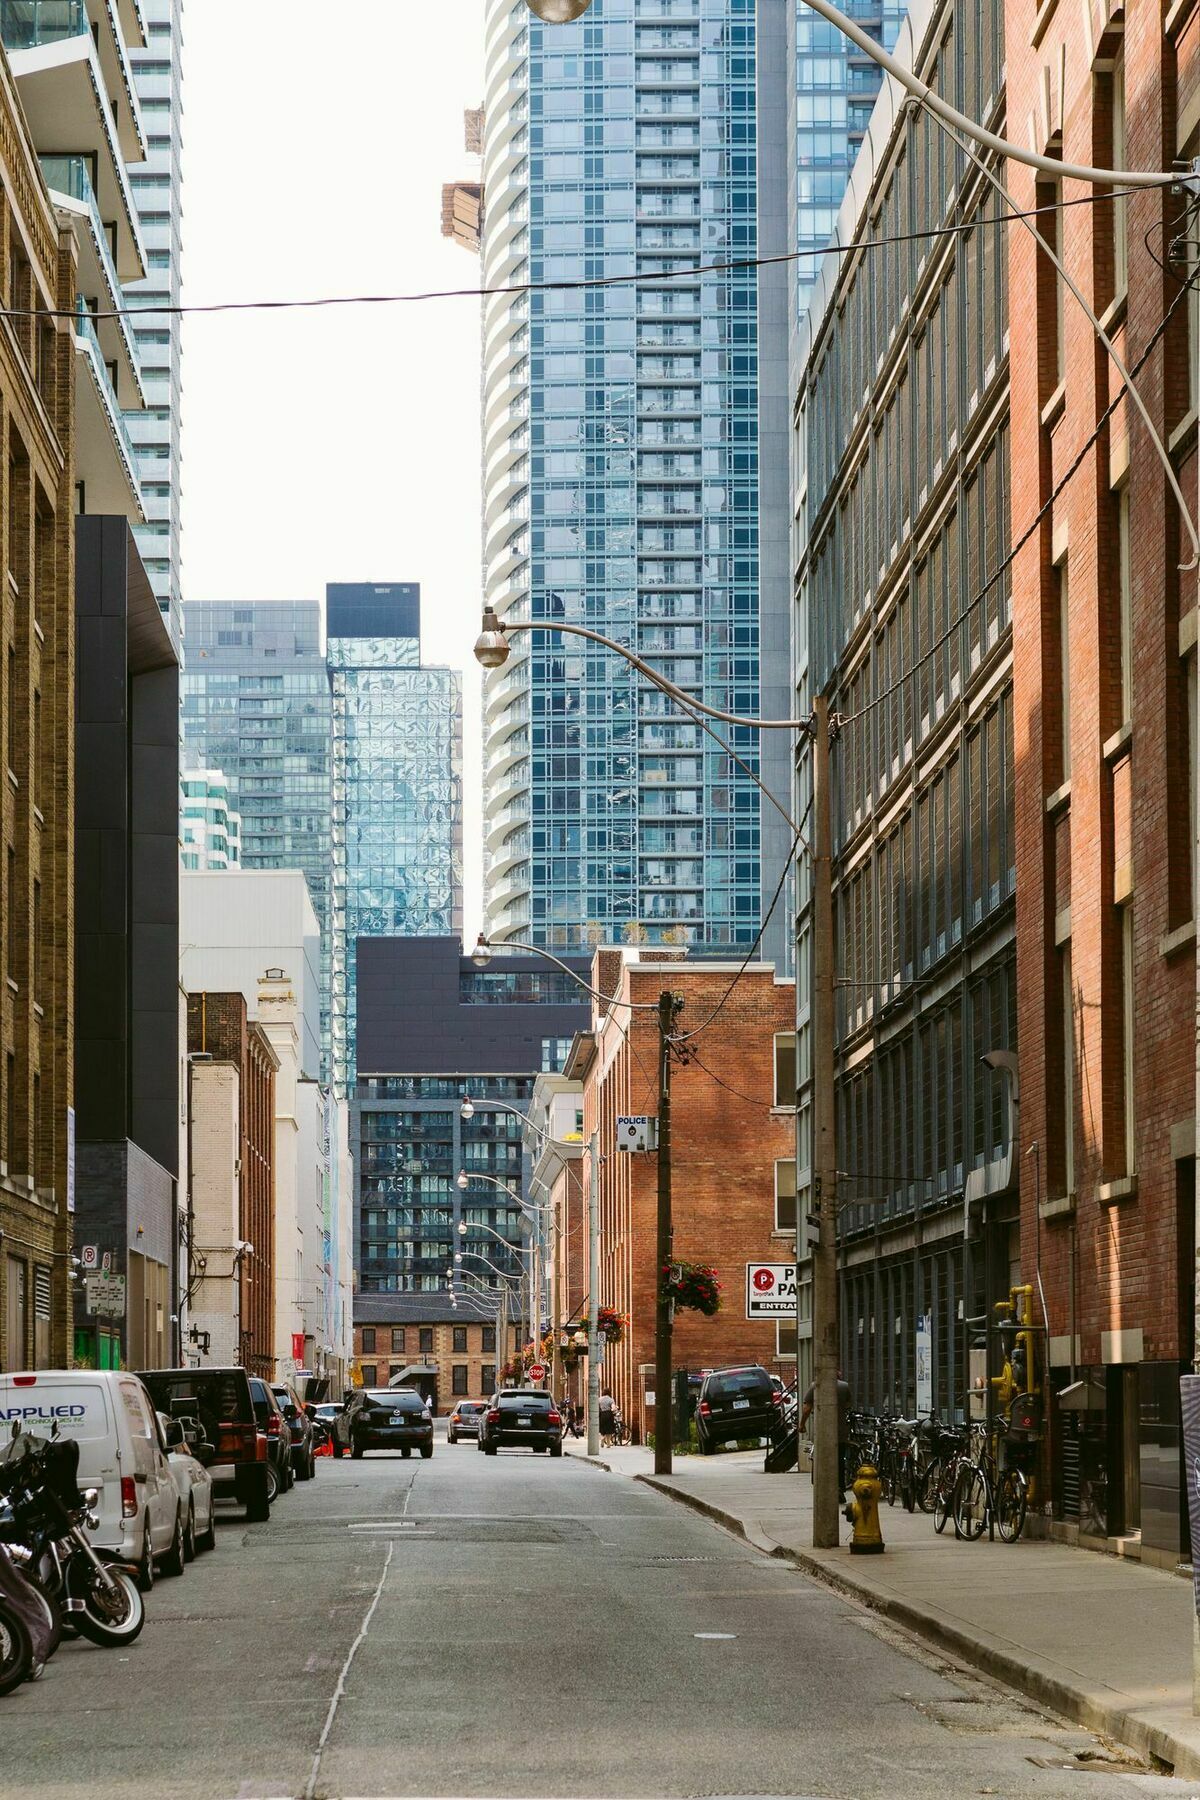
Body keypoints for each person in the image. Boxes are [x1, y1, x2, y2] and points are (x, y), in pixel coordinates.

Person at [798, 1371, 853, 1493]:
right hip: (840, 1430)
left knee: (822, 1459)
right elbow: (849, 1404)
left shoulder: (815, 1386)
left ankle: (824, 1486)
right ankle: (840, 1487)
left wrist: (802, 1424)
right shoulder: (844, 1386)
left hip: (822, 1431)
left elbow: (807, 1409)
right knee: (840, 1459)